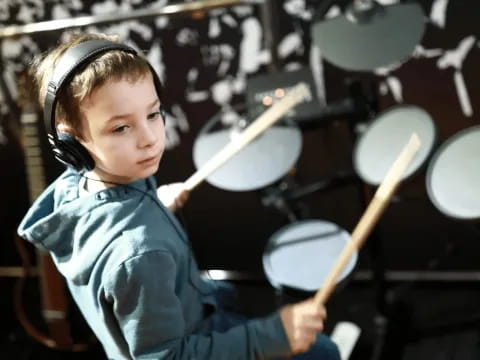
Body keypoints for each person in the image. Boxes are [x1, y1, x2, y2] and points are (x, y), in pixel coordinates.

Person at [17, 33, 340, 360]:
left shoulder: (80, 185)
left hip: (188, 308)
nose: (150, 139)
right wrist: (270, 337)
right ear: (71, 143)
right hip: (192, 338)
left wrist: (154, 203)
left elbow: (112, 229)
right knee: (323, 352)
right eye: (120, 128)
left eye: (153, 114)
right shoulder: (140, 255)